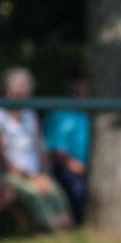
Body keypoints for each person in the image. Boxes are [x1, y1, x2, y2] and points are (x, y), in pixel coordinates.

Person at [0, 67, 73, 233]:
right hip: (9, 174)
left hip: (36, 174)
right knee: (33, 194)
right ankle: (48, 230)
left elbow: (41, 150)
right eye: (14, 93)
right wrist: (31, 177)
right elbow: (2, 157)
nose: (18, 98)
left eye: (22, 94)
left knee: (56, 192)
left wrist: (44, 174)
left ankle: (67, 230)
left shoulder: (30, 115)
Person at [43, 69, 90, 225]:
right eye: (78, 82)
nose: (82, 87)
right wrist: (80, 168)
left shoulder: (93, 111)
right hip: (67, 169)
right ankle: (80, 226)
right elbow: (56, 151)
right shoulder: (60, 112)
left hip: (91, 169)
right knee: (78, 189)